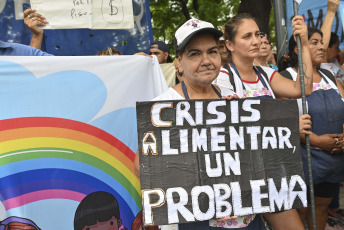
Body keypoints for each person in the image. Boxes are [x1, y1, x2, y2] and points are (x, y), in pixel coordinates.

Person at [135, 17, 267, 230]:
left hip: (247, 218)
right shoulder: (163, 108)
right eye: (195, 54)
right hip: (196, 221)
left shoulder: (231, 97)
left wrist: (246, 127)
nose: (206, 60)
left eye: (212, 51)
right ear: (179, 61)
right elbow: (142, 167)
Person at [214, 13, 313, 230]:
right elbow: (228, 132)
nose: (256, 41)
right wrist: (286, 128)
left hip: (272, 173)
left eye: (258, 34)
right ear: (229, 44)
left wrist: (304, 44)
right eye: (247, 36)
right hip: (241, 179)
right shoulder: (220, 78)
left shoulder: (266, 73)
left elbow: (303, 88)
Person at [279, 27, 344, 230]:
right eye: (313, 42)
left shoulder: (329, 77)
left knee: (323, 206)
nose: (321, 47)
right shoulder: (285, 78)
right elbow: (283, 121)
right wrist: (318, 141)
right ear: (298, 49)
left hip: (334, 158)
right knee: (302, 210)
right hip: (302, 158)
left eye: (321, 42)